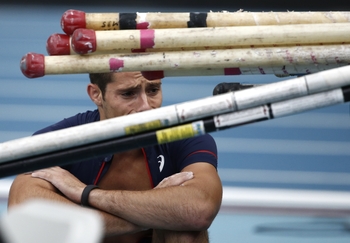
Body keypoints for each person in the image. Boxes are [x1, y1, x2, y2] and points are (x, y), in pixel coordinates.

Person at [8, 71, 223, 243]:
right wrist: (150, 218)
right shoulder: (63, 138)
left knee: (185, 231)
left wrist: (86, 194)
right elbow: (22, 205)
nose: (146, 107)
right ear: (96, 94)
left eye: (153, 90)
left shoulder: (185, 136)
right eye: (128, 94)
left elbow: (199, 210)